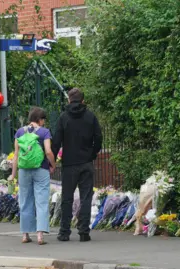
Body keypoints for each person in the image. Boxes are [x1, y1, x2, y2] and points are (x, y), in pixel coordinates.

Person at [51, 88, 103, 242]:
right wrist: (92, 154)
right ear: (83, 100)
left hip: (69, 164)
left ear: (68, 100)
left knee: (67, 198)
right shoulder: (90, 117)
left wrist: (52, 161)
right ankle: (84, 232)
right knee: (86, 197)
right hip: (86, 162)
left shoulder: (63, 118)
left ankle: (64, 232)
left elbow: (56, 141)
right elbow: (98, 138)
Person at [10, 107, 56, 245]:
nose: (44, 122)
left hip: (23, 170)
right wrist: (53, 164)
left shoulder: (19, 132)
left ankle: (25, 234)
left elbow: (16, 156)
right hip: (41, 169)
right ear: (40, 119)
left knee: (25, 201)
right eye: (43, 120)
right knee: (41, 201)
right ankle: (40, 235)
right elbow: (48, 151)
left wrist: (13, 175)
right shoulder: (44, 132)